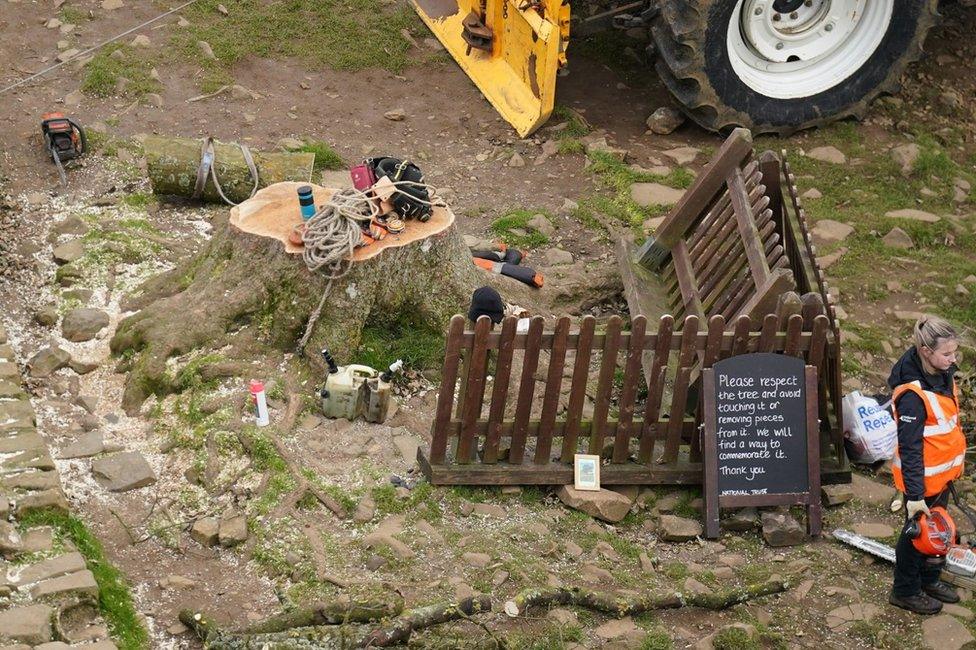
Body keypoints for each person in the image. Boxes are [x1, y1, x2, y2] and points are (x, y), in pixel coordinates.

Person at [888, 315, 963, 614]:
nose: (953, 359)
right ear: (925, 351)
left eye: (954, 352)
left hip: (942, 475)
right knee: (916, 536)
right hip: (922, 480)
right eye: (947, 354)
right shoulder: (911, 396)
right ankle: (905, 590)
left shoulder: (941, 371)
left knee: (940, 529)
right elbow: (910, 449)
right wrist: (915, 496)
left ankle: (929, 579)